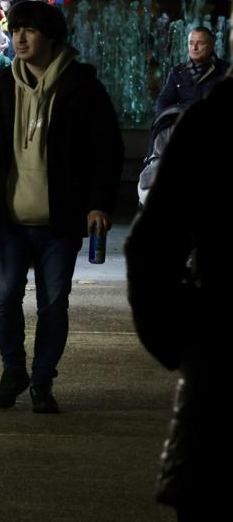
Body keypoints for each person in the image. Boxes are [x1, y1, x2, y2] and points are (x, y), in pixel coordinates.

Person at [0, 0, 123, 414]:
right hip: (9, 218)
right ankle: (13, 371)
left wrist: (97, 203)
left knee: (52, 303)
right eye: (15, 30)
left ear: (51, 36)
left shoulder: (81, 86)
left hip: (60, 220)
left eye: (30, 30)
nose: (20, 38)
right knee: (4, 297)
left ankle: (43, 379)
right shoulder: (2, 86)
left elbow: (106, 150)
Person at [126, 66, 230, 521]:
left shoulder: (215, 119)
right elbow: (152, 248)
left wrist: (183, 341)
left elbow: (151, 248)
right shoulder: (214, 120)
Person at [154, 26, 227, 116]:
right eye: (191, 43)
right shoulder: (177, 71)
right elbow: (164, 100)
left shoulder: (226, 70)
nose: (194, 48)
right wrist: (166, 120)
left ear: (211, 45)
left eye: (200, 43)